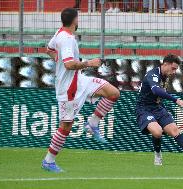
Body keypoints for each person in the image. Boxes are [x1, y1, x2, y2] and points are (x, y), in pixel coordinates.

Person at [42, 8, 120, 172]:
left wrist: (57, 58)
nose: (79, 21)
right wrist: (89, 63)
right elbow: (69, 64)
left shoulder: (59, 33)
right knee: (65, 126)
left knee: (113, 93)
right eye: (78, 18)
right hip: (68, 88)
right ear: (74, 20)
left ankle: (92, 123)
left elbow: (48, 49)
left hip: (80, 80)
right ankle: (48, 161)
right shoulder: (67, 38)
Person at [135, 54, 183, 166]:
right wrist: (176, 100)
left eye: (176, 69)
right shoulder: (153, 74)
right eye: (173, 68)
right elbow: (156, 91)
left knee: (175, 131)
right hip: (144, 108)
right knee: (157, 132)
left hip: (158, 107)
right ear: (165, 64)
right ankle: (157, 155)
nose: (175, 71)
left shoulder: (165, 76)